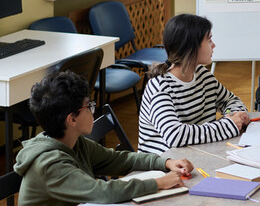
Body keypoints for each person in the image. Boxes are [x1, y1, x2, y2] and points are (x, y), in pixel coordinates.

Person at [13, 71, 194, 205]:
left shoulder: (74, 142)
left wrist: (165, 163)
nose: (94, 110)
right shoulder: (49, 165)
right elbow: (102, 192)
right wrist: (158, 183)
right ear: (72, 119)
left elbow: (119, 159)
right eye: (89, 106)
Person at [138, 14, 250, 154]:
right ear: (190, 47)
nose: (213, 45)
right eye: (209, 40)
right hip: (164, 166)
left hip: (197, 155)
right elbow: (175, 135)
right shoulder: (159, 86)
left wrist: (232, 114)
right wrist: (228, 125)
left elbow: (230, 100)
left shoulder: (202, 74)